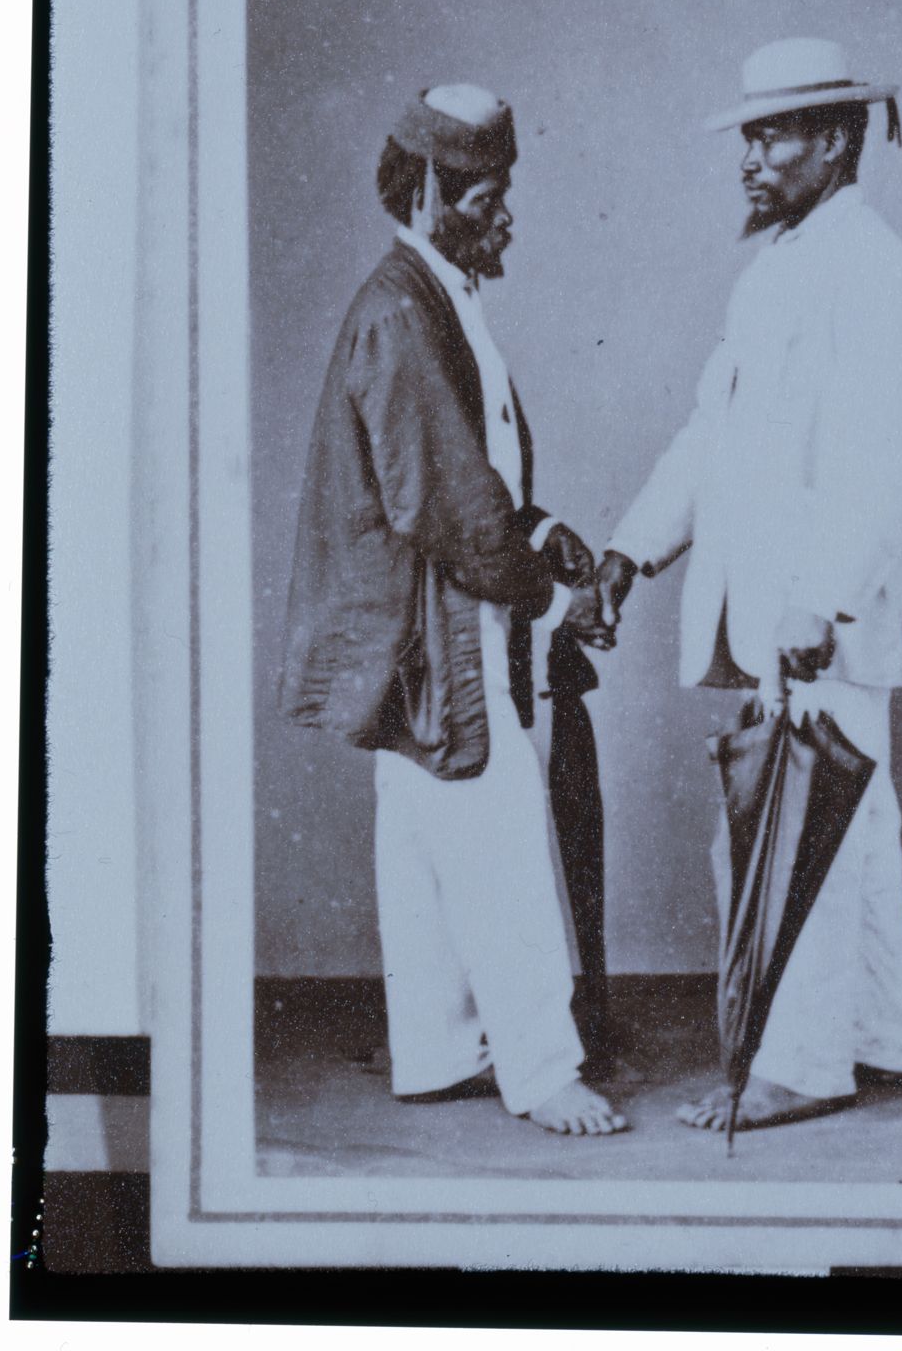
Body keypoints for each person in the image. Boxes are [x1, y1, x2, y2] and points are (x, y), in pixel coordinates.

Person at [597, 38, 902, 1132]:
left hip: (815, 615)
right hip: (785, 609)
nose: (750, 157)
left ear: (836, 139)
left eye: (773, 134)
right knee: (855, 818)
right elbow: (713, 440)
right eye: (746, 135)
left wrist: (821, 601)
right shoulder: (776, 269)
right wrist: (630, 551)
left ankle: (797, 1063)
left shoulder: (877, 270)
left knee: (798, 823)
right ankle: (882, 1040)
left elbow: (886, 460)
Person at [280, 82, 626, 1136]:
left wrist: (540, 525)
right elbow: (443, 499)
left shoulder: (435, 292)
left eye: (503, 192)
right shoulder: (402, 306)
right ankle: (540, 1071)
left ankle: (433, 1048)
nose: (502, 215)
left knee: (424, 838)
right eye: (483, 196)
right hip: (435, 623)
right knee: (495, 830)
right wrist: (556, 593)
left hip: (426, 616)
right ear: (427, 190)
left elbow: (474, 474)